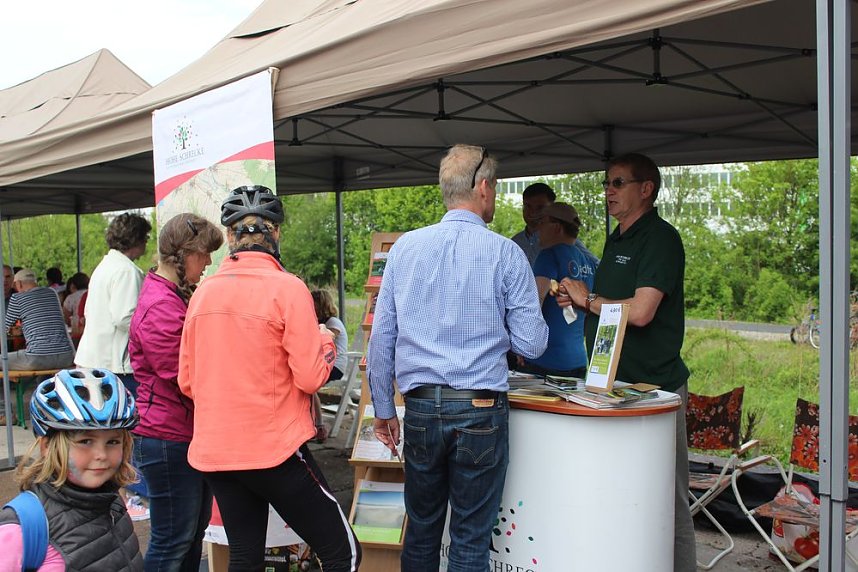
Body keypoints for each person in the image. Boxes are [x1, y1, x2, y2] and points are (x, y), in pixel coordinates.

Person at [367, 144, 548, 572]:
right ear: (483, 188)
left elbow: (382, 337)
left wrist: (382, 409)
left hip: (421, 408)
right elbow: (532, 344)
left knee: (422, 531)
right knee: (469, 540)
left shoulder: (405, 249)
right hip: (480, 409)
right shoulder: (506, 253)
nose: (495, 197)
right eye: (496, 188)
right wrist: (497, 325)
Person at [178, 185, 361, 571]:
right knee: (343, 553)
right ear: (276, 232)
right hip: (273, 451)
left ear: (230, 237)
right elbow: (311, 378)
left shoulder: (203, 293)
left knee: (245, 557)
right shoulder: (288, 288)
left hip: (217, 453)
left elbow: (187, 382)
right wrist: (325, 342)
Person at [559, 152, 695, 572]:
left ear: (646, 189)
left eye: (618, 183)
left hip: (654, 388)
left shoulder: (661, 238)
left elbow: (641, 312)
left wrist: (588, 299)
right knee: (619, 493)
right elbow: (612, 308)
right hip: (612, 387)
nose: (608, 191)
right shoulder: (616, 238)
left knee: (667, 497)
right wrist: (580, 302)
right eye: (606, 183)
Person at [129, 213, 223, 572]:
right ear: (183, 255)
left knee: (190, 536)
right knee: (172, 541)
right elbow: (183, 375)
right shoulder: (160, 305)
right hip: (166, 437)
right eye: (204, 254)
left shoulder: (170, 296)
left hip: (180, 433)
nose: (208, 262)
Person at [0, 368, 143, 571]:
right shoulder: (21, 528)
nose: (101, 454)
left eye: (112, 442)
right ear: (47, 447)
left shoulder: (111, 500)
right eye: (85, 441)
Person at [76, 212, 151, 398]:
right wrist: (153, 330)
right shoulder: (127, 271)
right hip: (113, 366)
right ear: (136, 239)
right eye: (146, 237)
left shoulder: (105, 265)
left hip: (92, 358)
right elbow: (125, 317)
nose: (147, 242)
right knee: (123, 414)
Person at [518, 202, 598, 378]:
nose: (537, 229)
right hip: (577, 360)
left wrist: (523, 343)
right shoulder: (589, 263)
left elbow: (535, 300)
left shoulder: (549, 255)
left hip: (545, 360)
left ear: (556, 227)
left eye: (542, 222)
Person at [1, 268, 76, 425]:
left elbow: (4, 327)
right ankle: (47, 407)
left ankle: (3, 412)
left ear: (19, 284)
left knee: (3, 360)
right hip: (66, 356)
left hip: (38, 357)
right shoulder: (52, 293)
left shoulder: (17, 298)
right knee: (44, 369)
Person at [510, 182, 599, 267]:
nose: (532, 212)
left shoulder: (566, 241)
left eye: (540, 207)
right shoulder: (514, 243)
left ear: (552, 208)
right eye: (527, 206)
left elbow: (597, 266)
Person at [310, 289, 350, 442]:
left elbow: (324, 343)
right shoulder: (324, 322)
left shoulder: (333, 323)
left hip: (335, 367)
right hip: (326, 364)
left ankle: (319, 426)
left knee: (308, 385)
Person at [62, 272, 90, 342]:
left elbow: (65, 317)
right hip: (91, 329)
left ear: (73, 284)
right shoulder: (92, 294)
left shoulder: (71, 298)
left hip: (77, 331)